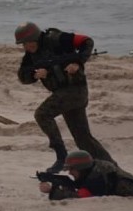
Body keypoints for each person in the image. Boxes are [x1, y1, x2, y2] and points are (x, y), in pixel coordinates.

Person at [16, 22, 115, 173]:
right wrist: (35, 74)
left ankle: (61, 156)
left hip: (76, 89)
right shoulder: (31, 56)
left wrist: (77, 62)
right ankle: (111, 168)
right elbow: (23, 77)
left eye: (26, 43)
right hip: (63, 94)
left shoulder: (57, 38)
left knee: (42, 114)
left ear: (35, 38)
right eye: (23, 44)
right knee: (83, 138)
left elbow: (87, 41)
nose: (25, 47)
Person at [38, 151, 133, 201]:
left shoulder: (97, 180)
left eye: (72, 169)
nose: (69, 173)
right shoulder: (92, 172)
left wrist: (52, 191)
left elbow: (79, 197)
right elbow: (78, 185)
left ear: (81, 169)